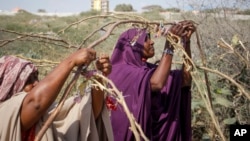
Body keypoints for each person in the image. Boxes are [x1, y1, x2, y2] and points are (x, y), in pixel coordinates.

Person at [0, 48, 114, 141]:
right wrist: (70, 61)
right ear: (10, 85)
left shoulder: (47, 113)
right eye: (28, 81)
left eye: (36, 78)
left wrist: (98, 76)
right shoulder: (5, 113)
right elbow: (35, 103)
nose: (36, 84)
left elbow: (89, 113)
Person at [108, 20, 195, 141]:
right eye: (146, 39)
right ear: (131, 46)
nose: (152, 42)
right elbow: (157, 83)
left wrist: (186, 42)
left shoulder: (147, 70)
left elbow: (185, 81)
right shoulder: (120, 71)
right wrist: (169, 45)